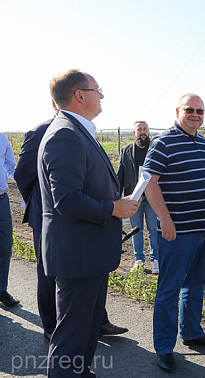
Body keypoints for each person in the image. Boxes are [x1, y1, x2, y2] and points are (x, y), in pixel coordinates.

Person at [38, 69, 138, 376]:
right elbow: (66, 200)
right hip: (77, 256)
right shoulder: (65, 134)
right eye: (98, 89)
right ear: (80, 95)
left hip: (88, 253)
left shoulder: (77, 130)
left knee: (87, 330)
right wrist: (113, 207)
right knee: (71, 339)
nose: (102, 95)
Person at [14, 101, 128, 340]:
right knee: (49, 274)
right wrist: (39, 204)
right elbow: (22, 174)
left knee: (88, 275)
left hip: (84, 216)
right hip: (49, 216)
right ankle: (51, 326)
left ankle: (98, 322)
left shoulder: (84, 130)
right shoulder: (44, 132)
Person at [143, 93, 205, 373]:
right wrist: (165, 220)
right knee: (169, 289)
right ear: (178, 111)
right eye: (190, 110)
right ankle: (164, 347)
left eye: (200, 111)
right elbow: (149, 183)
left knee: (195, 284)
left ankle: (192, 332)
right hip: (177, 233)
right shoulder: (163, 143)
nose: (196, 114)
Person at [117, 120, 159, 274]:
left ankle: (156, 260)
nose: (143, 132)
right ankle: (139, 260)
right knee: (136, 229)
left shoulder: (155, 150)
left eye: (145, 129)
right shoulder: (125, 150)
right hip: (133, 197)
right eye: (139, 129)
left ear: (149, 132)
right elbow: (120, 175)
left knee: (154, 229)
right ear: (134, 132)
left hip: (152, 198)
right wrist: (118, 196)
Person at [0, 131, 18, 308]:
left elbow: (11, 167)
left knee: (5, 245)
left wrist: (28, 183)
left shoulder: (2, 138)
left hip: (1, 200)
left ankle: (1, 290)